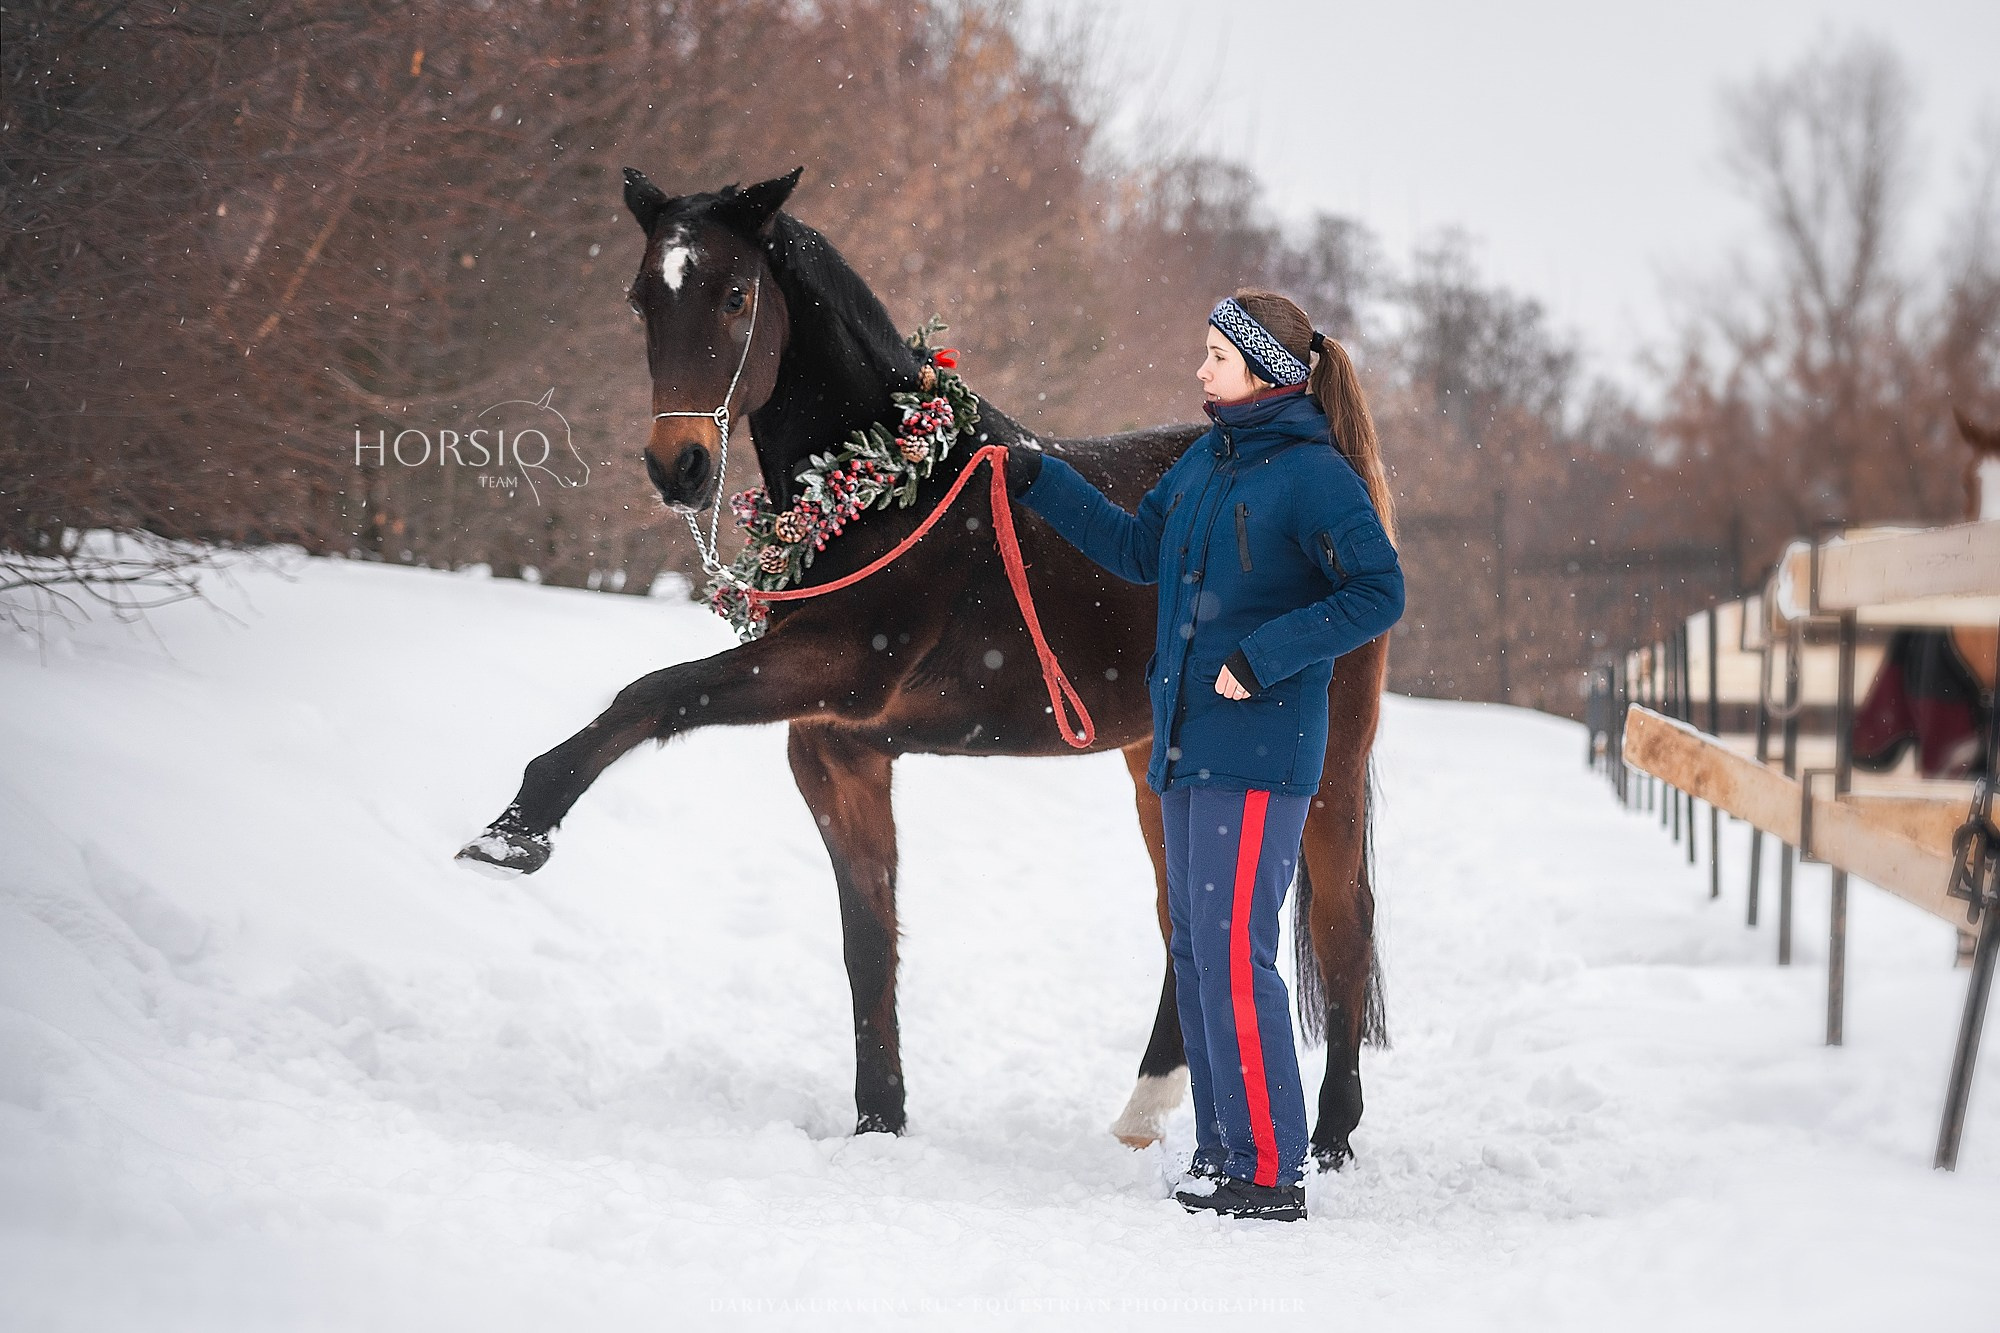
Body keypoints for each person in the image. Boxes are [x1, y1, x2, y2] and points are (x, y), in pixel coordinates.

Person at [1005, 290, 1404, 1222]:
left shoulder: (1315, 477)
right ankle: (1228, 1149)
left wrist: (1264, 656)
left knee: (1235, 956)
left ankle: (1270, 1171)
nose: (1199, 370)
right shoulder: (1205, 461)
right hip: (1184, 747)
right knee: (1196, 954)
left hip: (1261, 751)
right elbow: (1135, 549)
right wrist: (1038, 477)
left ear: (1265, 371)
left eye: (1216, 357)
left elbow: (1377, 589)